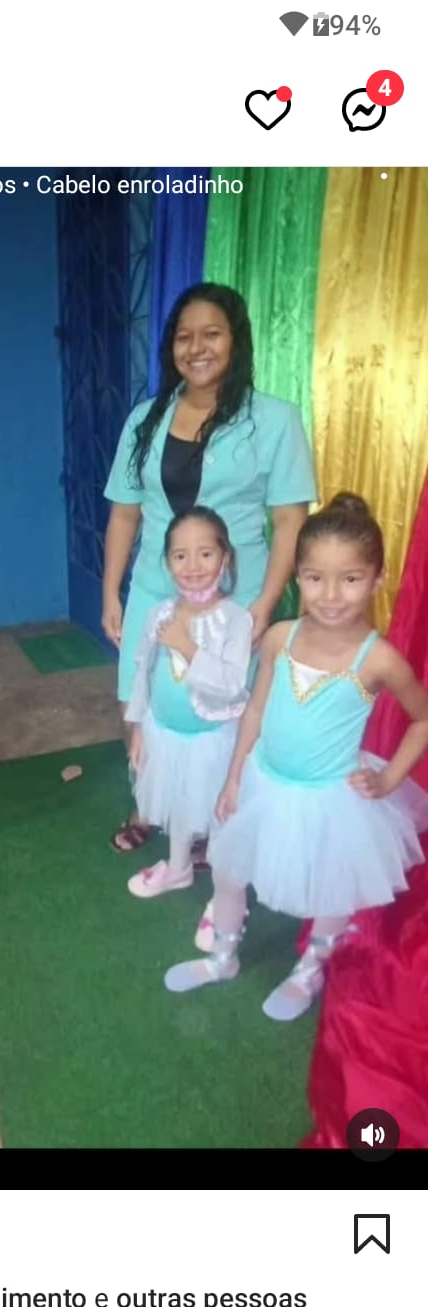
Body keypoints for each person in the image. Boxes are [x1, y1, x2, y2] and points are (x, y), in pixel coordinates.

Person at [163, 495, 428, 1020]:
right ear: (298, 577)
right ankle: (222, 957)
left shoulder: (378, 659)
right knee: (229, 870)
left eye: (350, 579)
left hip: (331, 797)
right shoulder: (280, 638)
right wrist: (234, 777)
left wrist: (390, 779)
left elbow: (422, 719)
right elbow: (257, 709)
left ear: (377, 580)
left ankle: (309, 970)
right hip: (263, 781)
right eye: (314, 578)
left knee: (331, 888)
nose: (330, 595)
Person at [103, 283, 317, 853]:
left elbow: (290, 523)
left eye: (211, 334)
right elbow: (124, 514)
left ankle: (211, 818)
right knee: (141, 701)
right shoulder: (145, 419)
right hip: (155, 589)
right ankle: (150, 803)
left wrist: (263, 606)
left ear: (236, 341)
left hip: (235, 598)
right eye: (184, 337)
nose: (196, 348)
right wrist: (111, 593)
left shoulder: (275, 420)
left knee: (222, 711)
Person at [124, 507, 252, 898]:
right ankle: (178, 868)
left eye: (205, 553)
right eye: (180, 555)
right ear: (167, 562)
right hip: (164, 732)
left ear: (225, 557)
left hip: (214, 740)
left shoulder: (235, 619)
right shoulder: (159, 613)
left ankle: (226, 898)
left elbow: (231, 685)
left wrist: (187, 647)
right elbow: (143, 672)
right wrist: (139, 727)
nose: (192, 566)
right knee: (177, 800)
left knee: (221, 813)